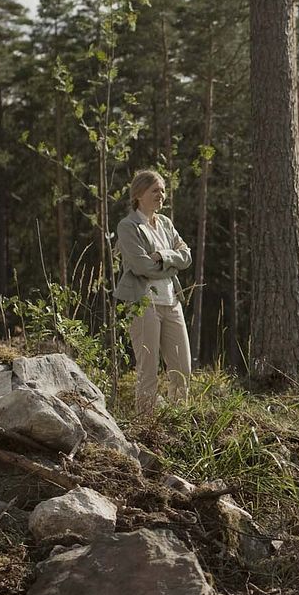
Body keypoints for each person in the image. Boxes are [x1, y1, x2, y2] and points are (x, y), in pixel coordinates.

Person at [115, 170, 193, 414]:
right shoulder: (128, 226)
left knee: (183, 370)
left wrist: (162, 256)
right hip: (143, 303)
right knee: (148, 370)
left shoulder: (166, 223)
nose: (161, 195)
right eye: (155, 190)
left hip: (171, 302)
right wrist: (171, 266)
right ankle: (145, 425)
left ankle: (177, 421)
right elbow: (140, 266)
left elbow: (187, 256)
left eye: (162, 190)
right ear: (139, 194)